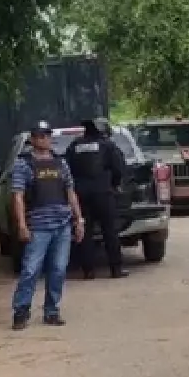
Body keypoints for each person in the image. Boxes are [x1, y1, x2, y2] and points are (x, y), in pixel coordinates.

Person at [10, 121, 84, 329]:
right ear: (32, 139)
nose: (45, 139)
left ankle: (52, 311)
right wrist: (22, 225)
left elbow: (70, 193)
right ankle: (21, 312)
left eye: (47, 135)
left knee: (58, 270)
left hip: (62, 226)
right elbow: (18, 197)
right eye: (40, 135)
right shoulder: (23, 164)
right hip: (39, 227)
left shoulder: (61, 163)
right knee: (31, 270)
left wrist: (79, 220)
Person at [68, 117, 127, 280]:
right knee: (110, 231)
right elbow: (118, 168)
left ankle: (88, 271)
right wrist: (115, 185)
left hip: (81, 194)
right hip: (103, 192)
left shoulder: (75, 145)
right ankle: (116, 269)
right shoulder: (107, 145)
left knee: (85, 232)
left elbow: (67, 169)